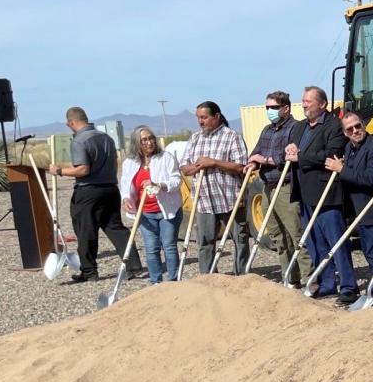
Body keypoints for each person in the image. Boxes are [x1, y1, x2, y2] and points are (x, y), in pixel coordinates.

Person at [49, 106, 142, 282]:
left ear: (71, 122)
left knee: (86, 231)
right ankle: (132, 265)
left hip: (88, 191)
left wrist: (59, 171)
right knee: (115, 228)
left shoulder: (79, 141)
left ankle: (89, 271)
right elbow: (115, 163)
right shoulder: (106, 138)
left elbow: (83, 169)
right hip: (109, 189)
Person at [286, 86, 354, 304]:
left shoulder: (334, 126)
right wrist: (289, 152)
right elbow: (294, 151)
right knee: (315, 242)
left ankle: (348, 286)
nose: (304, 104)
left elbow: (332, 154)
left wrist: (301, 157)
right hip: (304, 192)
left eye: (309, 101)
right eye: (303, 100)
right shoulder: (299, 127)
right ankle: (326, 283)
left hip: (326, 193)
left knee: (336, 242)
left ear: (322, 104)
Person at [326, 112, 373, 304]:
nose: (355, 131)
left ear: (363, 124)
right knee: (369, 252)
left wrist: (342, 170)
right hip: (359, 209)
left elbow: (370, 179)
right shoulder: (350, 147)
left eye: (358, 126)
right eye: (350, 129)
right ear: (345, 132)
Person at [246, 91, 311, 287]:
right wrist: (253, 162)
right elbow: (256, 152)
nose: (269, 111)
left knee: (295, 233)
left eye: (273, 108)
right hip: (267, 186)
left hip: (286, 187)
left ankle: (309, 277)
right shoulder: (267, 130)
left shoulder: (296, 128)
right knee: (277, 235)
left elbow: (285, 157)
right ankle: (290, 276)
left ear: (286, 108)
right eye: (267, 108)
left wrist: (265, 160)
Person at [179, 101, 249, 275]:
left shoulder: (232, 136)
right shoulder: (195, 138)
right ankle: (208, 278)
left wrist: (214, 162)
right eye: (198, 118)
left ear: (216, 116)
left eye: (204, 117)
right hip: (204, 201)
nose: (200, 122)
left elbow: (241, 167)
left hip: (230, 199)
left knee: (239, 239)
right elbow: (184, 168)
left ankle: (242, 276)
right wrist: (197, 167)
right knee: (204, 242)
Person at [120, 126, 182, 283]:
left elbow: (176, 180)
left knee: (169, 246)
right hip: (145, 213)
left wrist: (160, 184)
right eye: (144, 140)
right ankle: (156, 283)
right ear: (136, 143)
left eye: (151, 138)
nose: (149, 142)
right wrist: (126, 199)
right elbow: (125, 184)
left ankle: (174, 281)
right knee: (151, 248)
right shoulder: (130, 163)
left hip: (167, 210)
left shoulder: (166, 158)